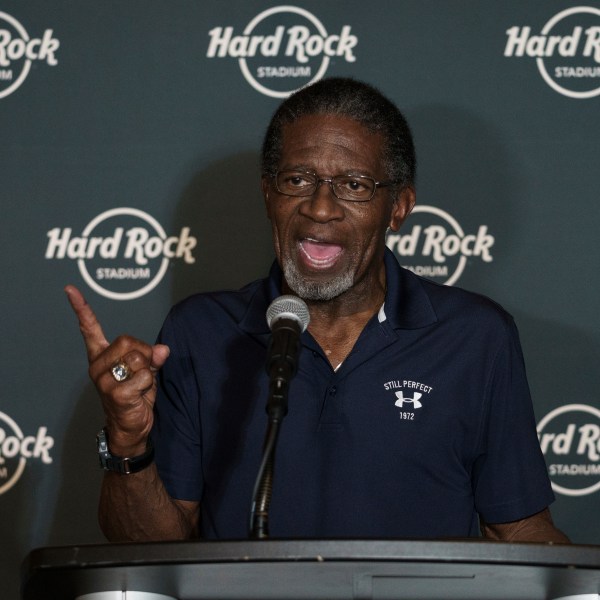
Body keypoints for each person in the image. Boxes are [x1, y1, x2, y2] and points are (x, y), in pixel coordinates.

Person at [66, 77, 569, 543]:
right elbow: (153, 553)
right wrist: (128, 444)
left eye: (354, 185)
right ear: (268, 193)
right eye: (297, 180)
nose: (320, 207)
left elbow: (519, 528)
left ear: (399, 206)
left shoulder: (475, 337)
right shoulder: (198, 333)